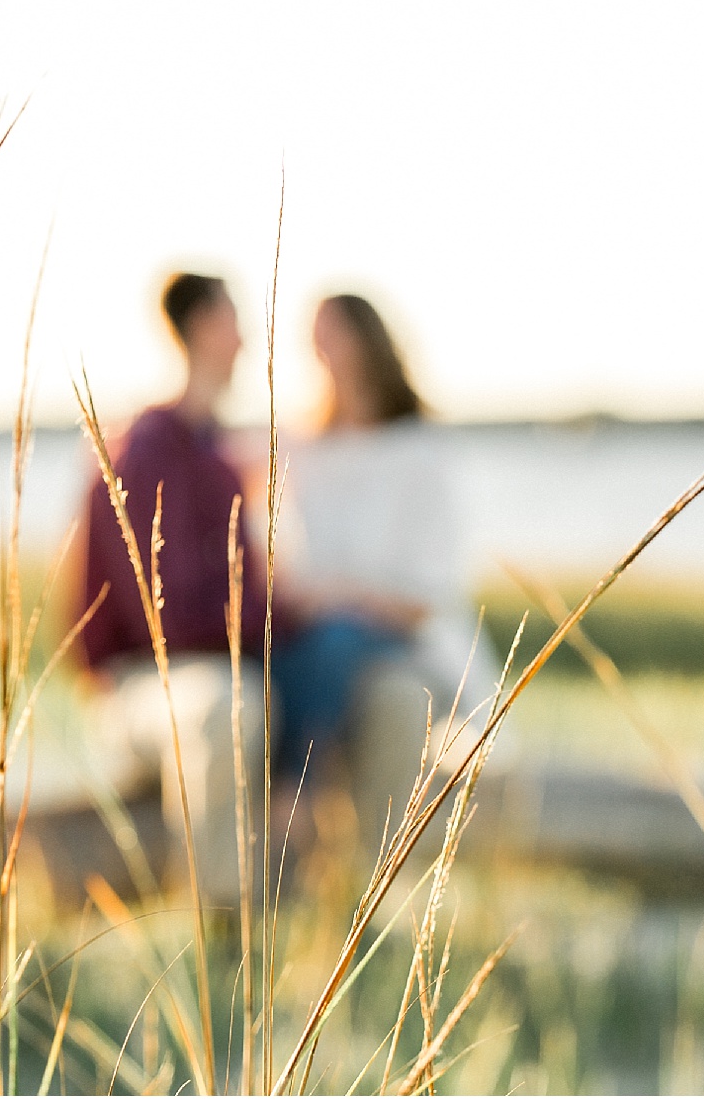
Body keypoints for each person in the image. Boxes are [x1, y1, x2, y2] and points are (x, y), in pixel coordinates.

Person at [272, 293, 501, 835]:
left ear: (369, 342)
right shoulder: (306, 450)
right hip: (325, 629)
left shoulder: (423, 452)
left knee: (334, 642)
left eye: (335, 337)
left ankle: (295, 793)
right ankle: (292, 798)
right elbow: (288, 561)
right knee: (292, 647)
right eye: (316, 340)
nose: (323, 352)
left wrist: (342, 597)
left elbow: (426, 600)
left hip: (406, 637)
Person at [77, 272, 271, 906]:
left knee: (365, 682)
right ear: (199, 330)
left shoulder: (218, 454)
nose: (244, 339)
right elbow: (163, 618)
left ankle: (355, 901)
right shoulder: (143, 451)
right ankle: (221, 922)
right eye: (233, 320)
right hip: (141, 687)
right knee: (224, 705)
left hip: (218, 673)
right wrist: (281, 615)